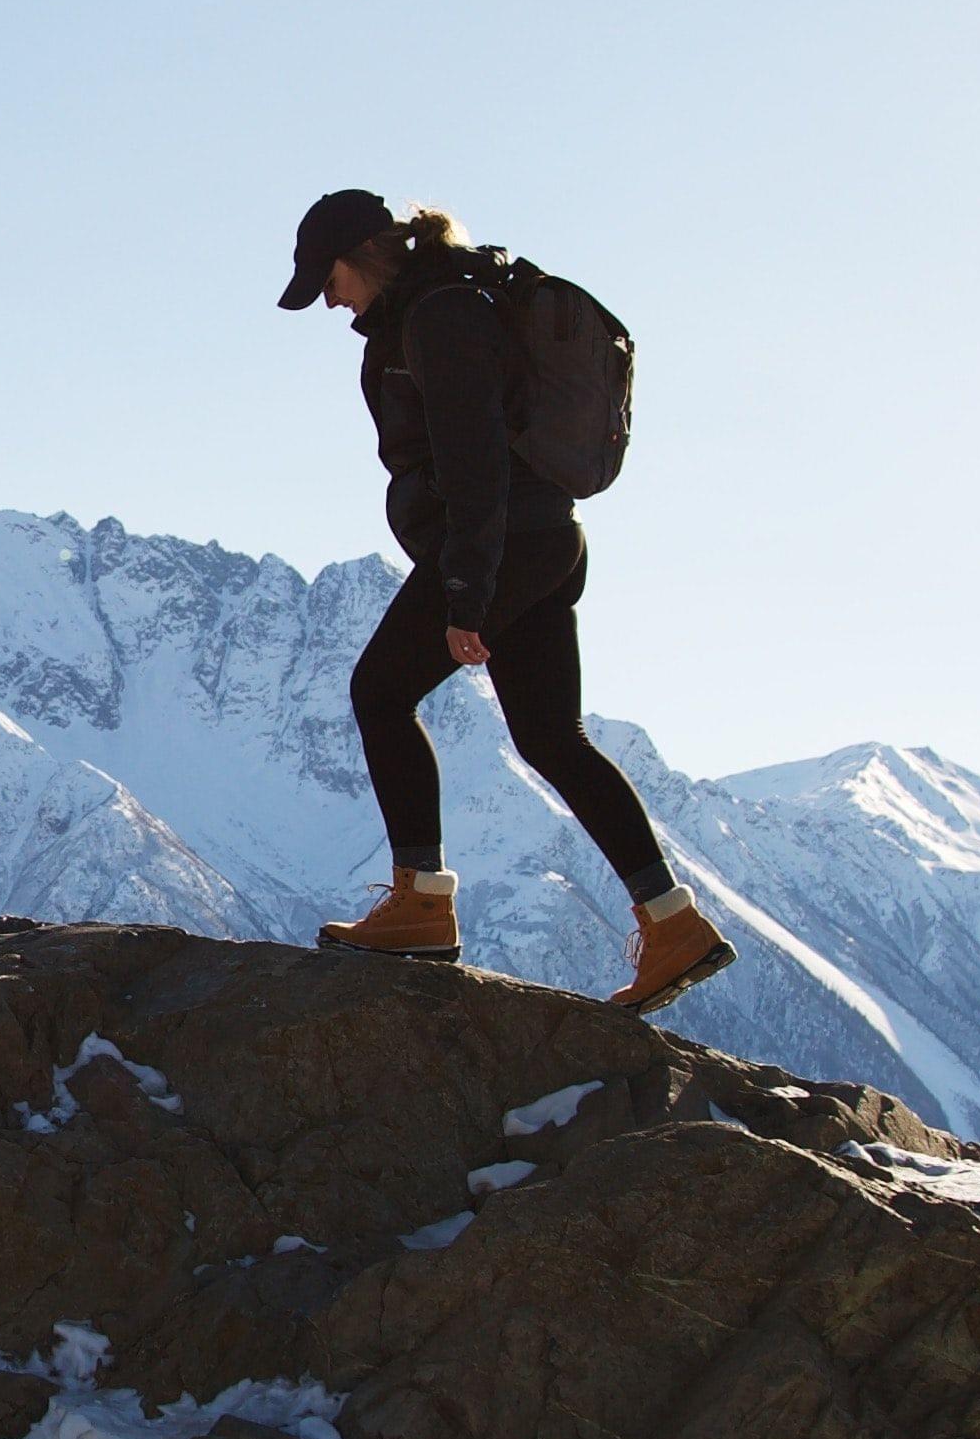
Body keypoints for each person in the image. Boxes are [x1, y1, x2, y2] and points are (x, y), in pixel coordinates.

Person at [275, 187, 736, 1016]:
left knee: (380, 694)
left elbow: (472, 458)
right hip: (545, 539)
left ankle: (421, 902)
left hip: (501, 545)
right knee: (554, 738)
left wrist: (464, 590)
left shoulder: (440, 316)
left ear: (362, 254)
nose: (329, 299)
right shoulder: (448, 303)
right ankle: (674, 925)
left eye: (329, 278)